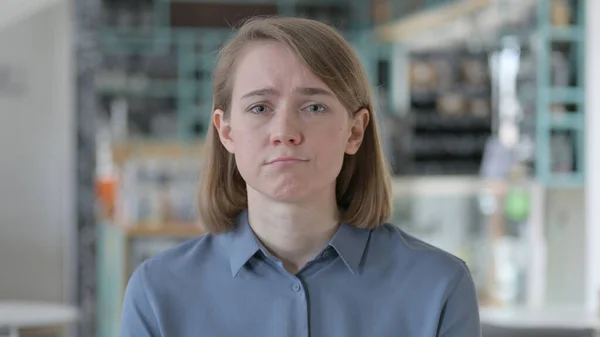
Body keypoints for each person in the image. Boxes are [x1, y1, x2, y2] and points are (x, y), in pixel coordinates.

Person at [119, 17, 481, 337]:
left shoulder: (440, 287)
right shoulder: (157, 292)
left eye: (314, 107)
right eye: (260, 107)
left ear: (354, 132)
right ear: (226, 132)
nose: (285, 132)